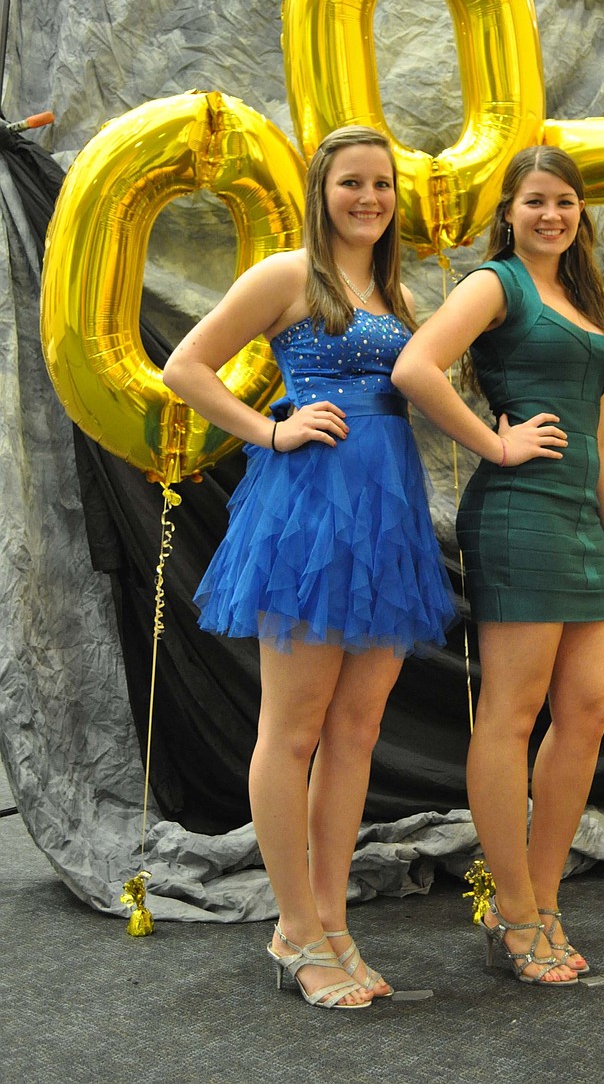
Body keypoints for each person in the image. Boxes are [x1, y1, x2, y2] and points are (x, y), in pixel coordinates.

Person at [163, 125, 456, 1010]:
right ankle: (293, 926)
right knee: (292, 731)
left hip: (386, 521)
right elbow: (185, 366)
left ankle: (332, 920)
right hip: (310, 516)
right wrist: (272, 428)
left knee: (357, 731)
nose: (369, 198)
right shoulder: (287, 275)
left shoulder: (397, 292)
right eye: (351, 182)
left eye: (382, 184)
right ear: (322, 190)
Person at [392, 145, 604, 987]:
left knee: (589, 709)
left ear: (579, 211)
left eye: (564, 200)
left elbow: (600, 435)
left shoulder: (584, 298)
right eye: (535, 200)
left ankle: (539, 898)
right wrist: (496, 443)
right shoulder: (498, 283)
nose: (551, 214)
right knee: (511, 712)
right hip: (518, 516)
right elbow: (415, 367)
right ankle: (518, 908)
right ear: (510, 211)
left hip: (581, 528)